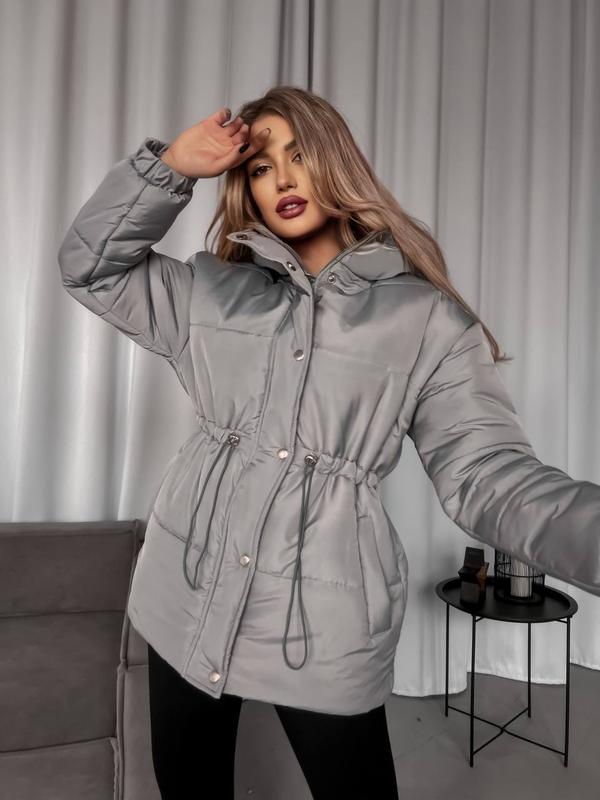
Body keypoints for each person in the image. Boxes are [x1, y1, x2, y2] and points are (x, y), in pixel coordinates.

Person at [57, 85, 600, 799]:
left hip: (324, 623)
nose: (281, 178)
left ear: (336, 163)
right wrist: (173, 169)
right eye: (260, 166)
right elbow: (89, 266)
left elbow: (488, 476)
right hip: (183, 593)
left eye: (300, 155)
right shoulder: (211, 293)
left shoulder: (427, 322)